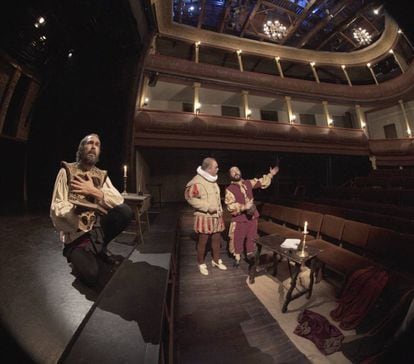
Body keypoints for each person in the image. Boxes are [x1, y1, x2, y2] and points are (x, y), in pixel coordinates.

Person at [50, 133, 133, 286]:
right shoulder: (67, 171)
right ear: (81, 148)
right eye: (89, 143)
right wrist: (75, 212)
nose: (94, 146)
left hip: (97, 231)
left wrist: (93, 191)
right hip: (76, 238)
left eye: (97, 144)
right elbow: (56, 206)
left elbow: (118, 200)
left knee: (125, 212)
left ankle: (99, 248)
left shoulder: (100, 175)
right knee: (92, 274)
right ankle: (87, 254)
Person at [225, 165, 279, 267]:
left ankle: (250, 254)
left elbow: (261, 182)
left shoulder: (248, 183)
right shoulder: (229, 189)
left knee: (251, 236)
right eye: (232, 171)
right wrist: (244, 207)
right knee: (238, 237)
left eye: (237, 170)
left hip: (252, 216)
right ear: (230, 175)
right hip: (240, 218)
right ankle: (237, 257)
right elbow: (230, 206)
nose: (235, 172)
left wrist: (271, 174)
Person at [185, 157, 227, 275]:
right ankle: (201, 263)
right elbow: (190, 198)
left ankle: (216, 260)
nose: (218, 169)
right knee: (203, 241)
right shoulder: (197, 181)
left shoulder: (212, 180)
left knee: (217, 239)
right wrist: (207, 207)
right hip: (205, 217)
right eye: (215, 167)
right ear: (208, 169)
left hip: (216, 216)